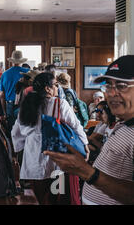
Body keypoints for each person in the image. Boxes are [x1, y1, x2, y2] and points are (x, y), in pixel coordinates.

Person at [45, 55, 134, 205]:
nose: (111, 93)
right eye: (108, 86)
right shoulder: (124, 125)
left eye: (121, 86)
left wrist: (87, 172)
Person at [11, 72, 89, 205]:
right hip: (56, 161)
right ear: (47, 88)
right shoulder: (59, 104)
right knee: (57, 197)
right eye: (56, 85)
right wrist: (85, 144)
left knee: (42, 199)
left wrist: (18, 149)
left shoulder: (26, 105)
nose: (58, 88)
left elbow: (16, 133)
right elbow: (76, 126)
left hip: (33, 161)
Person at [0, 50, 30, 134]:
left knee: (11, 130)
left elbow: (2, 95)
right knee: (25, 129)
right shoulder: (27, 72)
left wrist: (4, 112)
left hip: (9, 104)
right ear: (21, 61)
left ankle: (11, 146)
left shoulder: (5, 74)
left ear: (12, 61)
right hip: (24, 103)